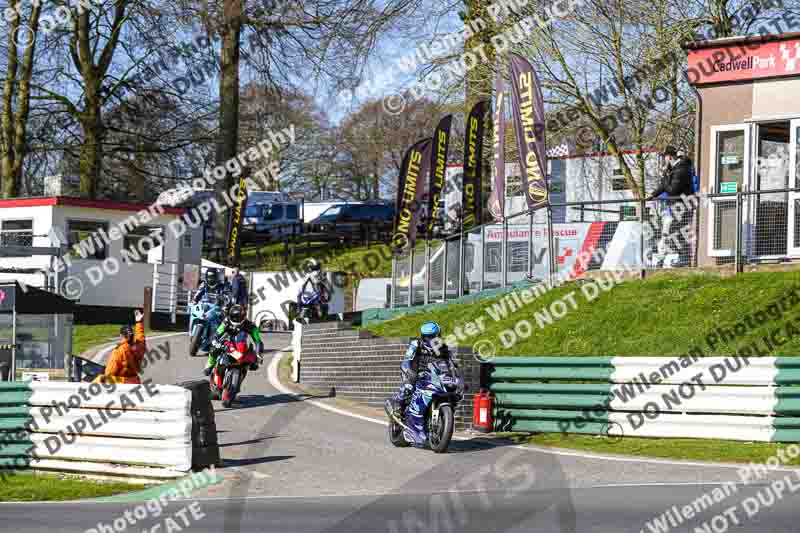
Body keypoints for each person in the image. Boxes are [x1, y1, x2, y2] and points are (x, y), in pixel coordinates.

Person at [385, 321, 454, 419]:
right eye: (427, 336)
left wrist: (454, 374)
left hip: (433, 375)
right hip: (414, 372)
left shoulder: (443, 347)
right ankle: (398, 407)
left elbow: (450, 363)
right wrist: (409, 372)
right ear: (423, 336)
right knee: (408, 387)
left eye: (433, 336)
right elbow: (407, 359)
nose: (430, 339)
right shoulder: (416, 344)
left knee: (447, 388)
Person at [646, 145, 695, 267]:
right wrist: (652, 195)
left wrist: (666, 176)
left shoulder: (681, 169)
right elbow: (664, 186)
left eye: (665, 157)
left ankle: (683, 258)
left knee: (676, 231)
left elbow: (672, 189)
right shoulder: (675, 169)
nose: (664, 159)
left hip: (682, 206)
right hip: (676, 206)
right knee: (675, 231)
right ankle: (679, 257)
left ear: (670, 157)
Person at [204, 303, 262, 376]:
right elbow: (217, 333)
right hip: (227, 342)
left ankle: (243, 368)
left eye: (238, 318)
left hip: (241, 344)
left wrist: (258, 353)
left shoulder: (250, 325)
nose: (236, 319)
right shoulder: (226, 321)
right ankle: (209, 364)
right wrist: (215, 341)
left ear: (244, 317)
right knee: (214, 349)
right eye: (234, 317)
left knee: (254, 364)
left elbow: (257, 341)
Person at [94, 309, 146, 385]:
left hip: (122, 383)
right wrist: (139, 322)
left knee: (100, 379)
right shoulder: (140, 345)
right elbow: (140, 335)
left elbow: (110, 372)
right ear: (132, 334)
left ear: (121, 335)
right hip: (135, 380)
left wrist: (104, 372)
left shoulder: (119, 351)